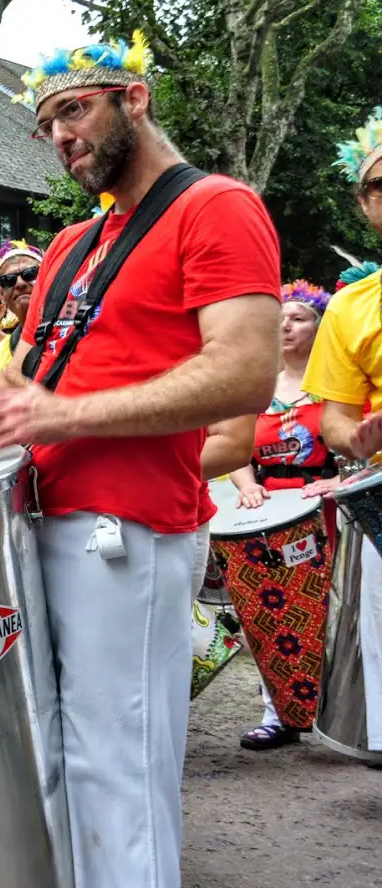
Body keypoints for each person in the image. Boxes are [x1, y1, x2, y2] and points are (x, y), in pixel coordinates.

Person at [0, 35, 282, 888]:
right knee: (49, 761)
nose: (59, 135)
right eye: (46, 122)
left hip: (127, 528)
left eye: (74, 110)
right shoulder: (68, 244)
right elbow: (23, 390)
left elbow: (244, 370)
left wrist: (65, 414)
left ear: (134, 99)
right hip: (37, 520)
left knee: (116, 768)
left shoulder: (216, 206)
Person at [224, 280, 339, 750]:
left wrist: (339, 481)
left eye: (299, 318)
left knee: (332, 615)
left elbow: (360, 446)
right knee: (270, 614)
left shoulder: (338, 384)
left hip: (327, 512)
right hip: (268, 514)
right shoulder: (254, 386)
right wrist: (247, 484)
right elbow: (232, 447)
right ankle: (278, 714)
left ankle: (347, 720)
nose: (286, 326)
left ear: (320, 326)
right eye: (280, 318)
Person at [302, 107, 382, 759]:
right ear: (363, 202)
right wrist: (356, 440)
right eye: (380, 183)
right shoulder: (352, 306)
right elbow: (333, 419)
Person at [0, 239, 44, 379]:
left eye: (30, 273)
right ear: (1, 294)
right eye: (8, 280)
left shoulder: (75, 335)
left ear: (47, 277)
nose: (20, 283)